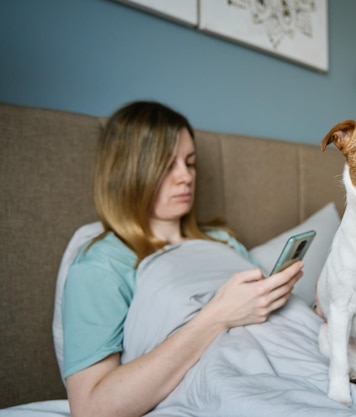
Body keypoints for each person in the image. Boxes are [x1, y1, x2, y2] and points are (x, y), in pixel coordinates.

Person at [61, 101, 304, 417]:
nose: (185, 177)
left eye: (190, 163)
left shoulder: (221, 241)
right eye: (166, 165)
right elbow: (91, 407)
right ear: (127, 170)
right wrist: (217, 315)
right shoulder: (103, 264)